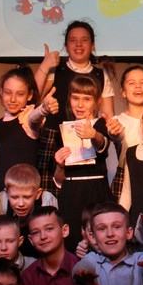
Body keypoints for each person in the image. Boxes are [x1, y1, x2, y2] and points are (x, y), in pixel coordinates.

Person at [34, 21, 117, 172]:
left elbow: (108, 117)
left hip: (86, 141)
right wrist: (44, 65)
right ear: (66, 46)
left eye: (84, 40)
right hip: (52, 138)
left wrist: (103, 134)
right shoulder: (55, 69)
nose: (78, 44)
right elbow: (33, 97)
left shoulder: (100, 74)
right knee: (51, 184)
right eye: (73, 40)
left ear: (92, 45)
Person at [49, 75, 113, 251]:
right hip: (71, 194)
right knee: (71, 244)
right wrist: (60, 165)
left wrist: (93, 134)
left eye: (86, 99)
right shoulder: (62, 129)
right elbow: (59, 179)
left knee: (100, 242)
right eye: (75, 98)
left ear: (97, 102)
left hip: (97, 192)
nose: (80, 104)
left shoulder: (100, 125)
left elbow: (103, 144)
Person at [0, 66, 54, 196]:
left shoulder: (27, 118)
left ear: (29, 95)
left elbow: (35, 117)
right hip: (0, 192)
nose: (13, 99)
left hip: (25, 193)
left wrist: (44, 109)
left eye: (20, 94)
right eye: (8, 92)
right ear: (1, 93)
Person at [0, 163, 58, 257]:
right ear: (7, 194)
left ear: (38, 194)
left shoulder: (47, 201)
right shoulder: (2, 200)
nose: (20, 204)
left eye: (27, 197)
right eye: (14, 197)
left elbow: (55, 240)